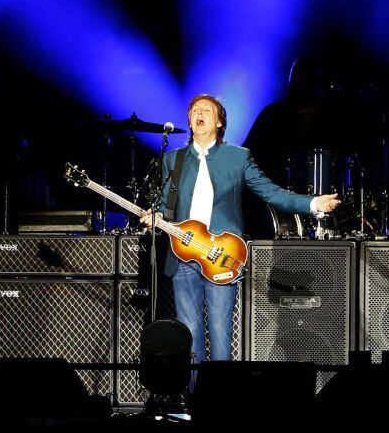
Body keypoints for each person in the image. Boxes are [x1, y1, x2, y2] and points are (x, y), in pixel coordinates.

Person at [140, 94, 341, 364]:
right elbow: (167, 205)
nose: (199, 114)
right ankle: (194, 400)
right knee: (189, 336)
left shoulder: (238, 157)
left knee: (221, 333)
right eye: (194, 110)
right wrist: (157, 215)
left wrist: (313, 203)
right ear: (189, 119)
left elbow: (271, 192)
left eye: (206, 111)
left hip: (221, 255)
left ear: (219, 121)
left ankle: (218, 401)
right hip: (183, 257)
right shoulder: (173, 160)